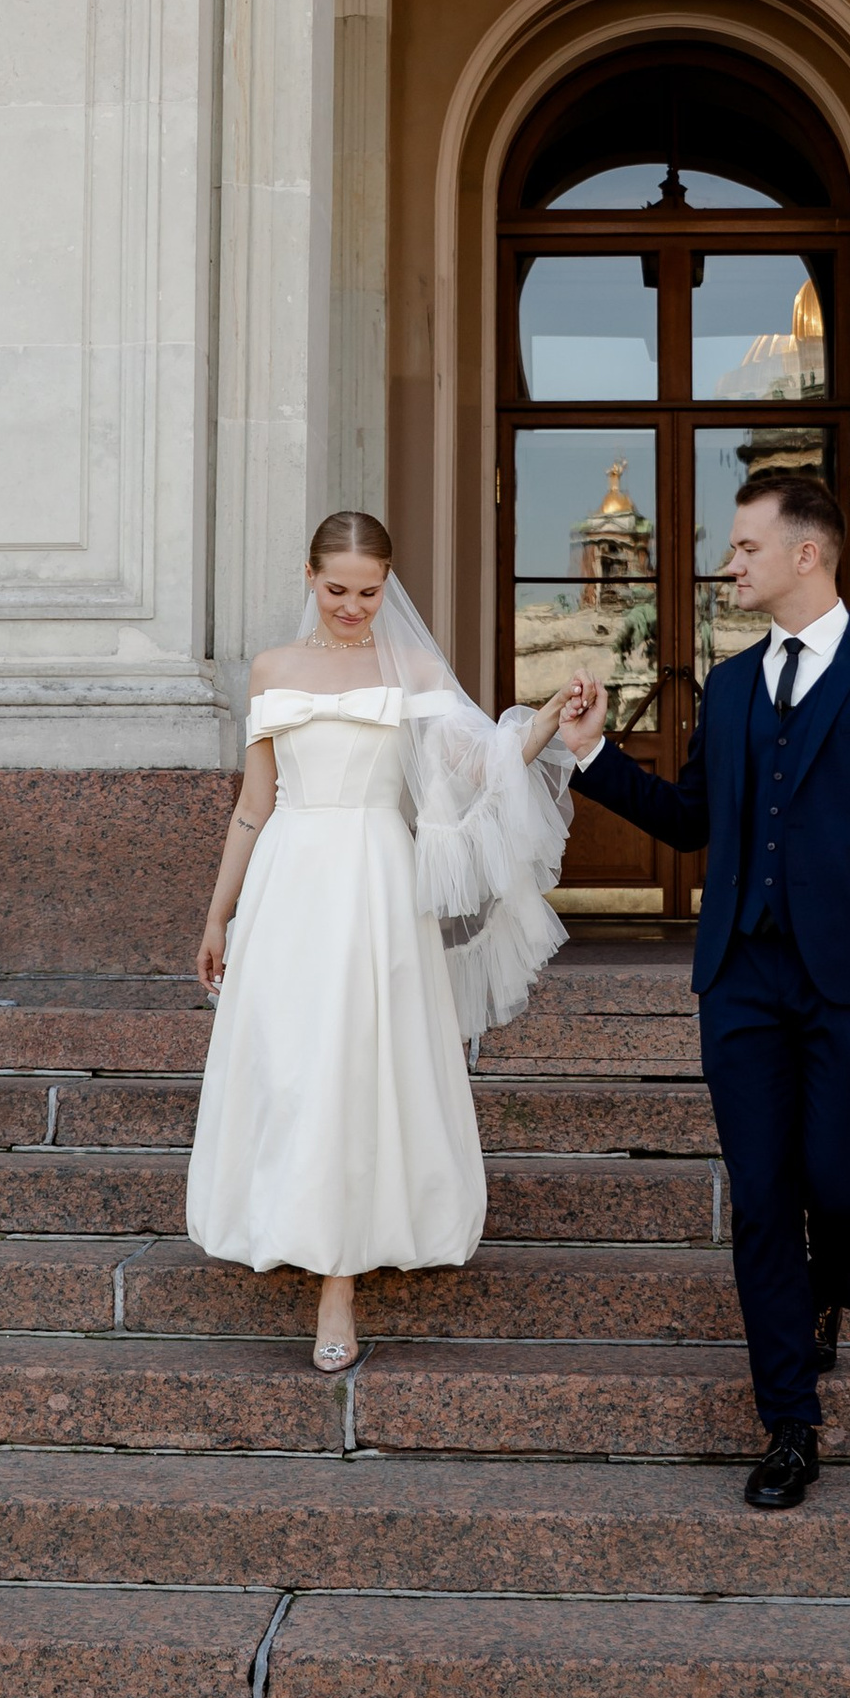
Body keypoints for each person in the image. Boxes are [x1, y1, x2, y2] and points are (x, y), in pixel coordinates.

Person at [557, 465, 850, 1507]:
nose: (728, 563)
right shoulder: (728, 688)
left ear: (805, 555)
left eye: (744, 548)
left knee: (838, 1186)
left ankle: (828, 1291)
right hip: (739, 974)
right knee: (763, 1199)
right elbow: (693, 823)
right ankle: (788, 1422)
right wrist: (591, 752)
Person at [187, 509, 578, 1372]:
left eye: (369, 592)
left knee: (360, 1062)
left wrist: (545, 726)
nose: (354, 607)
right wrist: (220, 914)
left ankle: (340, 1282)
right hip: (288, 878)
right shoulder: (272, 670)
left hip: (374, 878)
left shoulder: (413, 666)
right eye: (337, 590)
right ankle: (290, 1218)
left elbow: (480, 765)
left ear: (387, 586)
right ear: (308, 576)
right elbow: (254, 805)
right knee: (291, 1061)